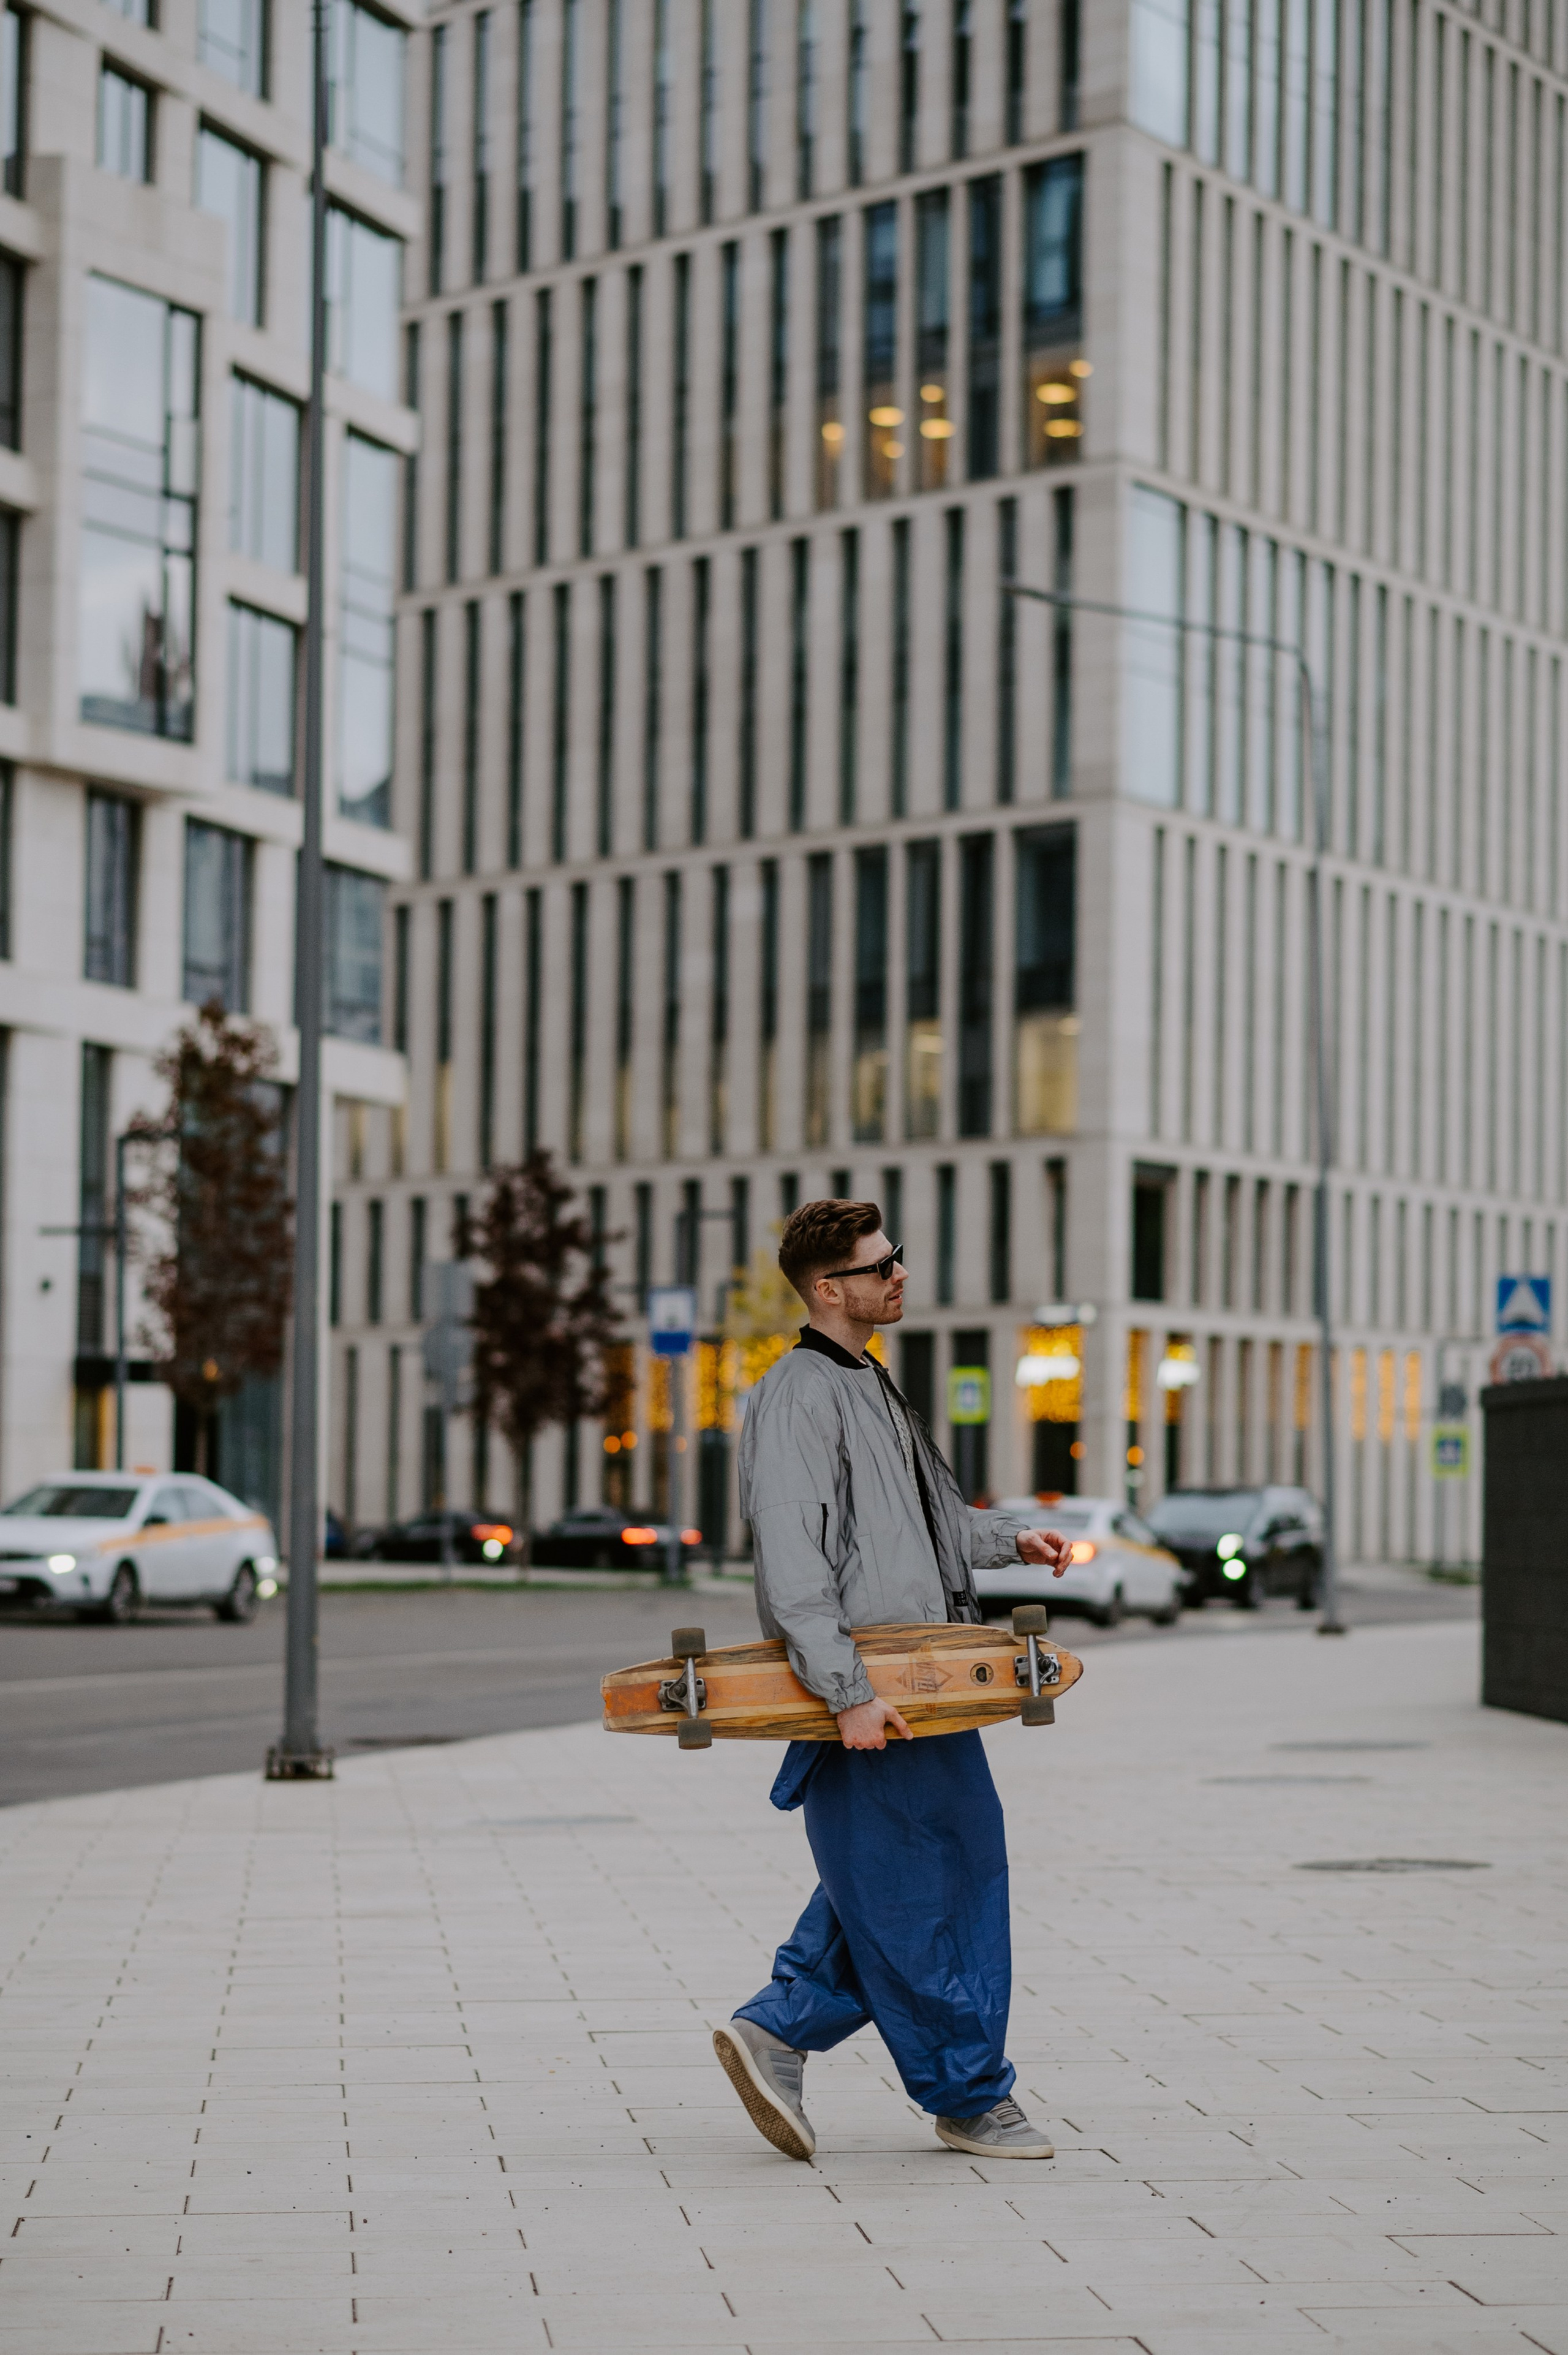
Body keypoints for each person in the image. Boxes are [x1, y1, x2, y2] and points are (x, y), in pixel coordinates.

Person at [712, 1198, 1072, 2163]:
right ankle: (966, 2095)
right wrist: (846, 1693)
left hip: (921, 1680)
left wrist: (1014, 1541)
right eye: (883, 1266)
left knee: (919, 1872)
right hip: (875, 1691)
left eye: (897, 1259)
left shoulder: (869, 1383)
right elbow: (793, 1564)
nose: (900, 1275)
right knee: (926, 1884)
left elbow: (935, 1523)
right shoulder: (798, 1394)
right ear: (830, 1290)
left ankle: (780, 2030)